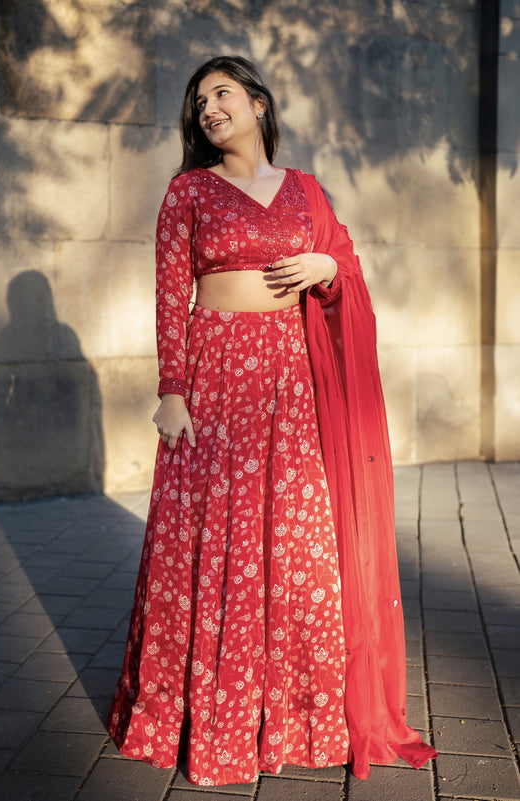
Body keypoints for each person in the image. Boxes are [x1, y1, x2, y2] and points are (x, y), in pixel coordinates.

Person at [108, 55, 437, 786]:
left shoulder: (305, 191)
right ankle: (198, 714)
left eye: (221, 94)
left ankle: (295, 717)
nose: (207, 109)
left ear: (258, 104)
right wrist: (172, 389)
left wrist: (326, 266)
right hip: (216, 373)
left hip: (291, 378)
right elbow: (170, 293)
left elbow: (342, 269)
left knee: (294, 542)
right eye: (198, 102)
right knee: (210, 539)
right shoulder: (188, 191)